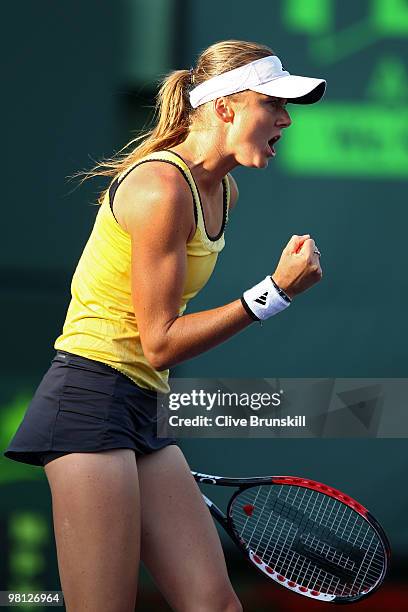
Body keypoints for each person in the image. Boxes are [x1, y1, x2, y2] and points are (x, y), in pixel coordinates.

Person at [4, 40, 325, 611]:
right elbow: (159, 343)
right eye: (271, 104)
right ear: (225, 107)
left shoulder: (222, 188)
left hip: (143, 406)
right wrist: (272, 294)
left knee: (216, 605)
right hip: (88, 399)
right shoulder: (161, 188)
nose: (285, 118)